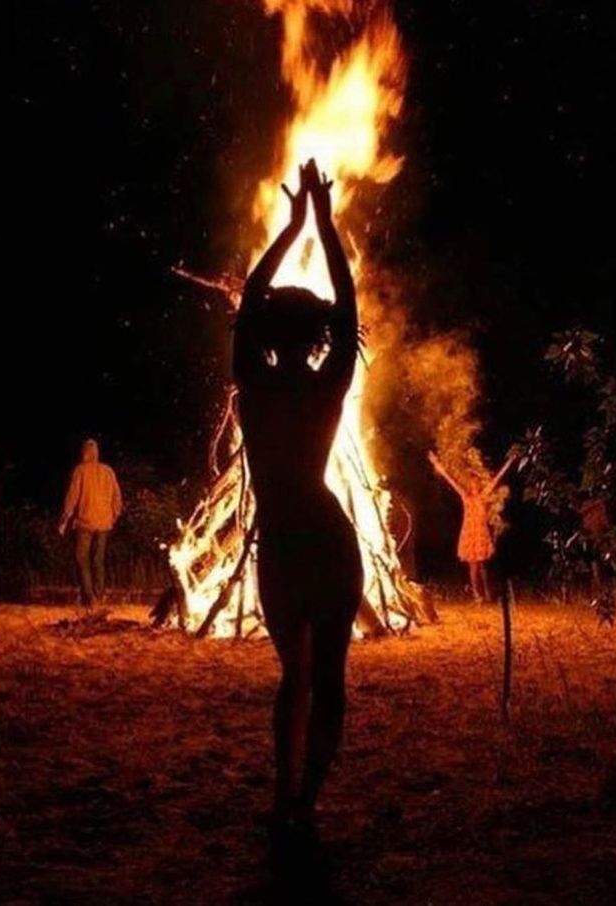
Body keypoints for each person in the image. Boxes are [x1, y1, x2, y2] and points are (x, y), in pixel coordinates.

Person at [234, 159, 363, 831]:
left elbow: (249, 303)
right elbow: (350, 312)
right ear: (318, 338)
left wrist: (290, 231)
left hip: (285, 541)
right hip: (328, 538)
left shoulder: (253, 390)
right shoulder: (327, 387)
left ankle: (289, 792)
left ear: (264, 335)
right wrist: (325, 223)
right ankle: (305, 795)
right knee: (329, 677)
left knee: (298, 675)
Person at [428, 450, 516, 601]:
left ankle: (487, 594)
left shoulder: (483, 496)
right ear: (470, 486)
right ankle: (477, 595)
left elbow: (497, 479)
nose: (474, 485)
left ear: (479, 485)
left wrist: (509, 462)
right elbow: (451, 481)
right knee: (473, 567)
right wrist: (437, 464)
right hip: (469, 533)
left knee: (483, 567)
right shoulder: (465, 497)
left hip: (480, 533)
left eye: (476, 483)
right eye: (472, 483)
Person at [59, 438, 123, 606]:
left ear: (84, 453)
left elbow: (72, 497)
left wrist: (64, 519)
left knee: (82, 559)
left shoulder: (80, 470)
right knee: (98, 560)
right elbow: (117, 496)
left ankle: (90, 597)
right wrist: (114, 515)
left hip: (85, 522)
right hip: (104, 523)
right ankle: (100, 595)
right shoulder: (108, 471)